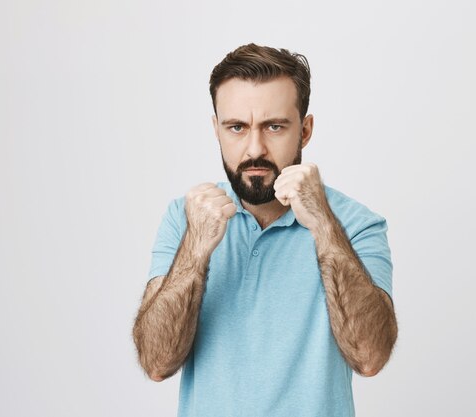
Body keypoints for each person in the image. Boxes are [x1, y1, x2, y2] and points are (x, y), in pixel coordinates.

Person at [133, 43, 398, 417]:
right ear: (217, 130)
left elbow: (369, 357)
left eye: (274, 126)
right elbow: (157, 362)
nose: (254, 148)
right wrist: (196, 249)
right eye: (236, 127)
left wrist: (323, 225)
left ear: (304, 130)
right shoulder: (186, 218)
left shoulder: (356, 223)